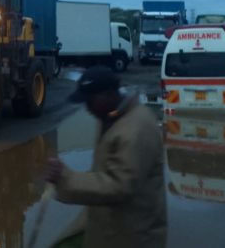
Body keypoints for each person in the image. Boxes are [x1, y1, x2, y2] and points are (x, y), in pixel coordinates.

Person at [44, 66, 166, 248]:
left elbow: (119, 186)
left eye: (90, 101)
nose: (87, 108)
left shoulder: (136, 130)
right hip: (111, 231)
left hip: (132, 238)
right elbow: (104, 173)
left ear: (108, 95)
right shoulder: (111, 118)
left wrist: (65, 177)